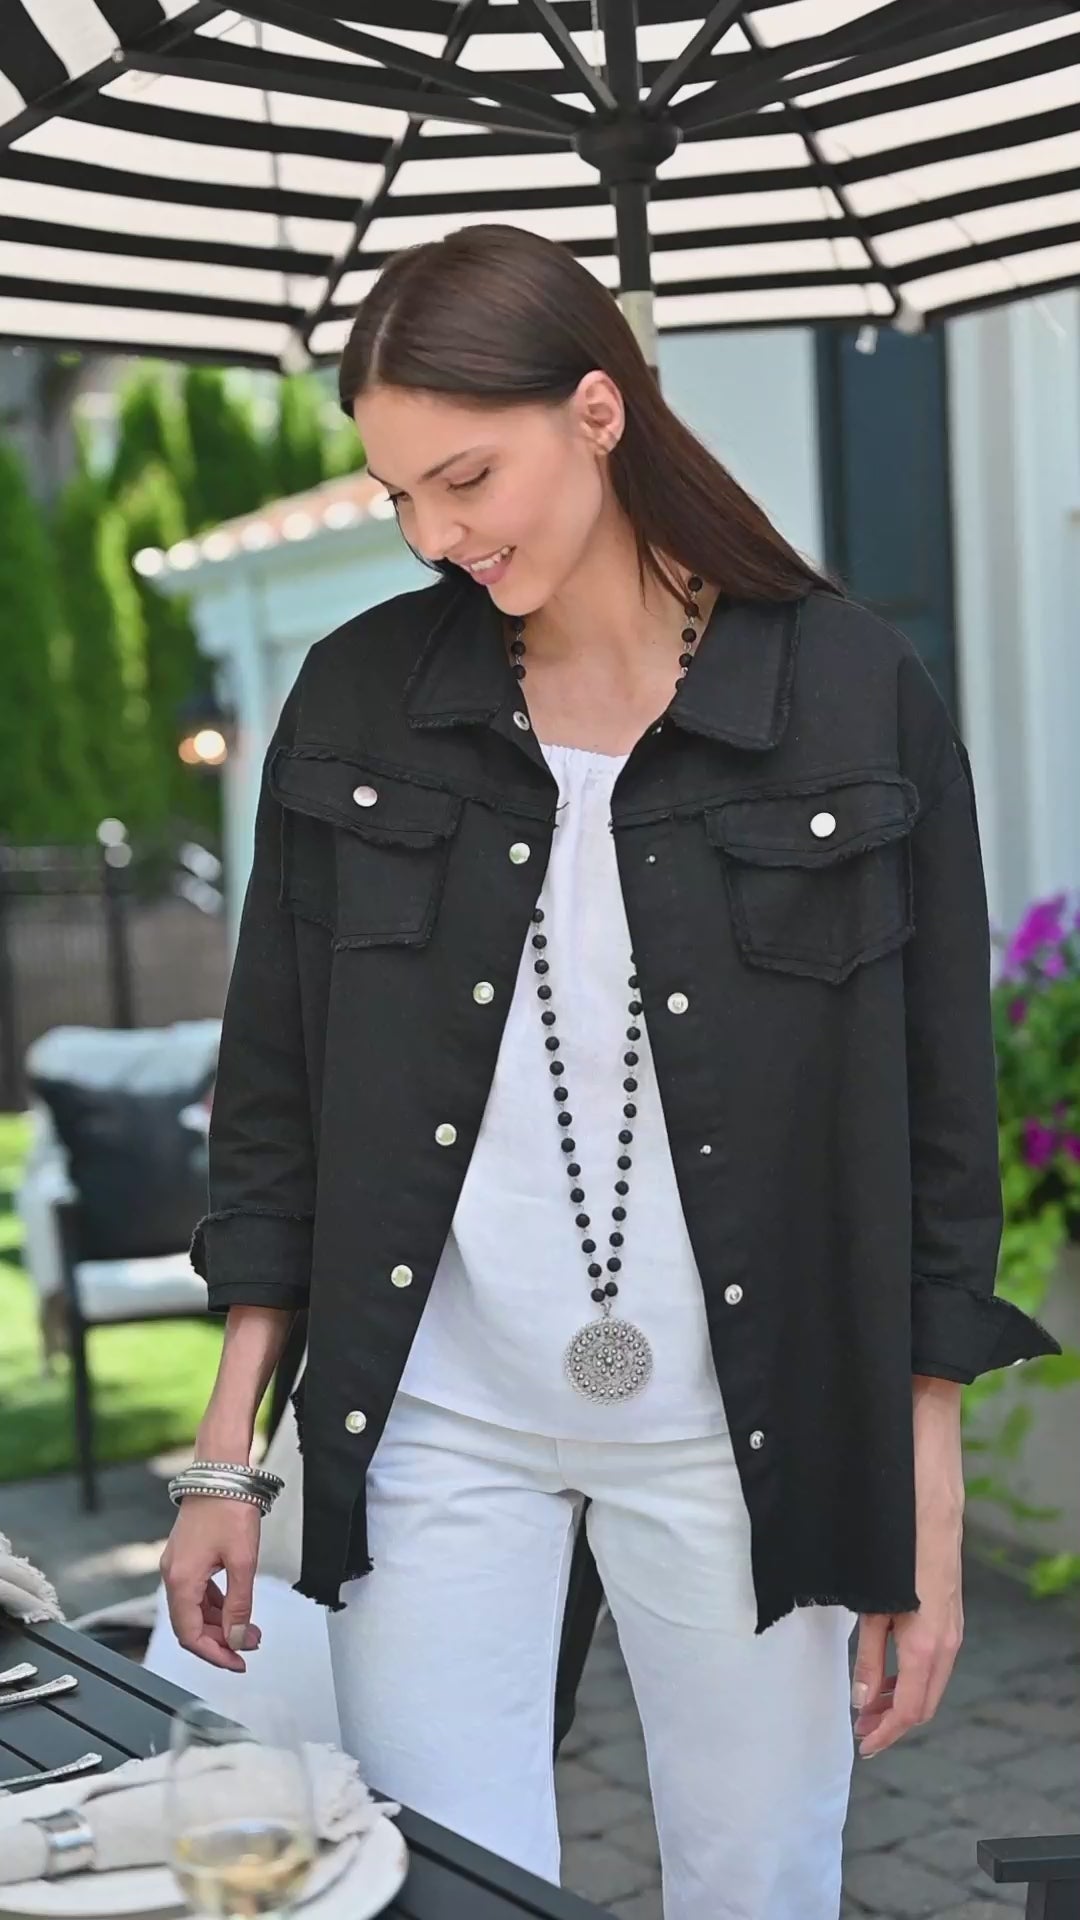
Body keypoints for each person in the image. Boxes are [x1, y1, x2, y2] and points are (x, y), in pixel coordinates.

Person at [161, 224, 1060, 1920]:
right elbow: (279, 1094)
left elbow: (941, 1128)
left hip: (750, 1426)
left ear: (597, 411)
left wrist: (920, 1504)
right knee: (447, 1886)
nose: (436, 535)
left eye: (466, 479)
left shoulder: (849, 689)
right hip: (437, 1420)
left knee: (756, 1881)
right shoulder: (359, 699)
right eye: (400, 496)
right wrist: (230, 1452)